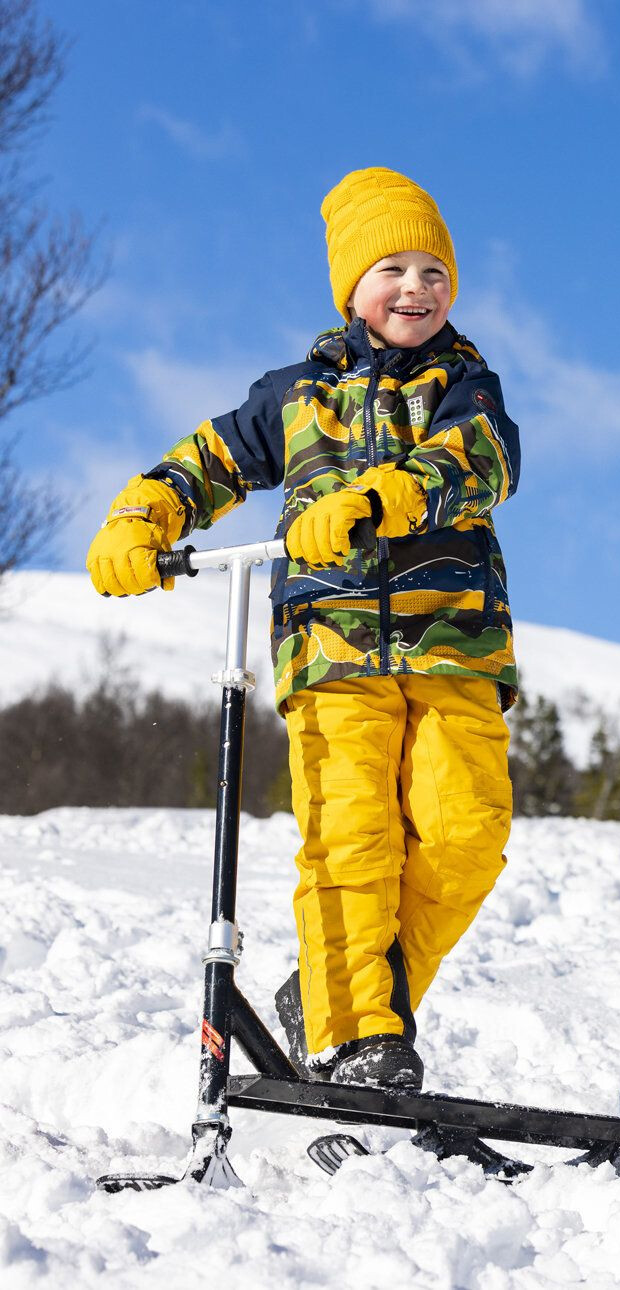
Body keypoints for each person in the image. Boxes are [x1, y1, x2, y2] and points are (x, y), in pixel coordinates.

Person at [86, 166, 521, 1089]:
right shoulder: (293, 396)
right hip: (332, 650)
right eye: (392, 269)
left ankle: (330, 996)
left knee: (464, 836)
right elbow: (207, 460)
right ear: (351, 287)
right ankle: (358, 1033)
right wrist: (143, 515)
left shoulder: (466, 386)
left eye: (434, 272)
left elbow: (479, 463)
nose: (416, 288)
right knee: (352, 838)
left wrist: (386, 493)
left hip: (455, 644)